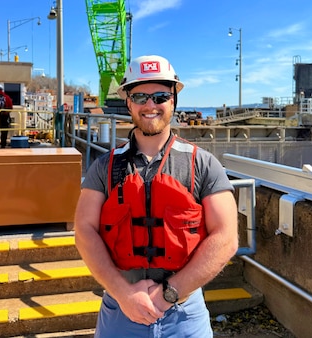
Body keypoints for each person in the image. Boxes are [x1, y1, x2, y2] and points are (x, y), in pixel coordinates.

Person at [74, 55, 239, 337]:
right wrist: (123, 293)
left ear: (174, 100)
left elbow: (226, 238)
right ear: (128, 102)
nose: (150, 105)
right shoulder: (104, 167)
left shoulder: (203, 164)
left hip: (185, 316)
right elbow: (84, 231)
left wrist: (169, 294)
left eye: (161, 96)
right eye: (140, 96)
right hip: (121, 311)